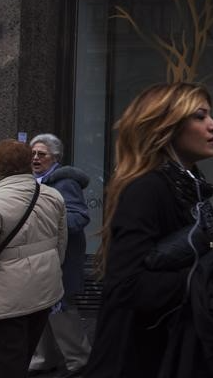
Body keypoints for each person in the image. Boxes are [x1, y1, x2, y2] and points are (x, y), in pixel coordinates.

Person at [85, 82, 213, 378]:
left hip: (174, 352)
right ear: (166, 127)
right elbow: (124, 287)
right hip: (141, 358)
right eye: (200, 116)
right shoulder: (146, 189)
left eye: (209, 115)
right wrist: (212, 280)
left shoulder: (188, 185)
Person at [0, 139, 67, 378]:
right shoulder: (53, 195)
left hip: (8, 300)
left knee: (8, 361)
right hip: (45, 290)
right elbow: (61, 244)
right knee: (23, 355)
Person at [28, 134, 92, 378]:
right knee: (40, 307)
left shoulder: (64, 182)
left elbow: (80, 217)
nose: (35, 158)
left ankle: (80, 359)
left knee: (61, 309)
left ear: (55, 157)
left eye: (41, 154)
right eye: (32, 153)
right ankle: (44, 359)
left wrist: (47, 223)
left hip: (62, 258)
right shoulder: (34, 181)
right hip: (41, 257)